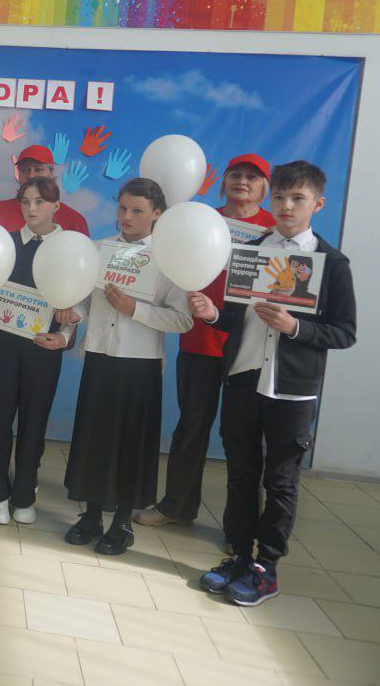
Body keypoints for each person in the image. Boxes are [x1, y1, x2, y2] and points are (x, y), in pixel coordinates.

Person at [194, 161, 356, 607]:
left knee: (281, 481)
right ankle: (238, 555)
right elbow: (234, 317)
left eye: (297, 198)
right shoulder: (251, 250)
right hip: (244, 379)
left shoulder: (332, 263)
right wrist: (211, 312)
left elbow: (344, 332)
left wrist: (294, 327)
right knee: (240, 474)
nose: (286, 206)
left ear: (317, 204)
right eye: (280, 197)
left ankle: (266, 567)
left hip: (292, 390)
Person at [137, 154, 275, 528]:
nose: (242, 181)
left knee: (244, 437)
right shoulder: (201, 220)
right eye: (235, 175)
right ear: (223, 182)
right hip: (199, 342)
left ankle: (242, 526)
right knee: (192, 427)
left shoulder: (274, 231)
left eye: (252, 177)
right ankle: (177, 507)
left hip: (249, 348)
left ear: (264, 187)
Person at [59, 178, 192, 556]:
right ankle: (91, 515)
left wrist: (135, 309)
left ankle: (122, 522)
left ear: (157, 214)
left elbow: (182, 319)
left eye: (137, 210)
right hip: (100, 356)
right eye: (122, 208)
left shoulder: (167, 259)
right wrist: (74, 313)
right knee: (93, 439)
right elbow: (85, 301)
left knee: (131, 444)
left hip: (140, 365)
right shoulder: (100, 250)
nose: (127, 216)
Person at [0, 143, 90, 484]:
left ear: (52, 174)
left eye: (38, 169)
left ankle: (28, 472)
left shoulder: (73, 221)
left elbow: (79, 287)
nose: (31, 175)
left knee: (34, 406)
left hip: (41, 337)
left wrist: (67, 333)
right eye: (25, 169)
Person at [0, 177, 71, 524]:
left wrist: (66, 336)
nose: (32, 208)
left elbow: (79, 301)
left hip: (44, 347)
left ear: (56, 206)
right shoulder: (6, 244)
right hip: (3, 343)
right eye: (26, 201)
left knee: (34, 421)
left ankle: (25, 496)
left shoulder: (69, 248)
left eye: (40, 202)